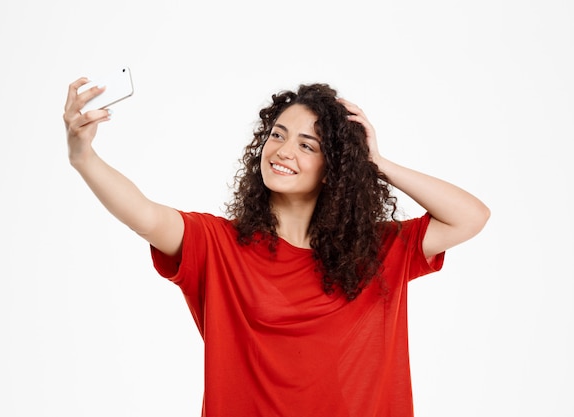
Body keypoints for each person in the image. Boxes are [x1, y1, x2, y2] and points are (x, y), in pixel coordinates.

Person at [63, 79, 490, 417]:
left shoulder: (375, 252)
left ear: (333, 168)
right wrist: (84, 156)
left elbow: (470, 216)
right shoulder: (218, 245)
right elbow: (143, 214)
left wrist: (376, 162)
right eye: (277, 135)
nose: (283, 151)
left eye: (307, 145)